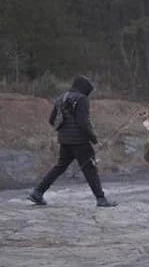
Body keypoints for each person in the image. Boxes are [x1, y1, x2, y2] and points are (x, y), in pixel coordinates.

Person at [28, 75, 117, 207]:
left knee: (59, 167)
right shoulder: (82, 99)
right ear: (84, 88)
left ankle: (38, 192)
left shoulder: (61, 98)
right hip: (80, 142)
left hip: (64, 141)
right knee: (90, 169)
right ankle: (101, 199)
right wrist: (94, 138)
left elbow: (52, 120)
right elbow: (83, 123)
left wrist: (64, 131)